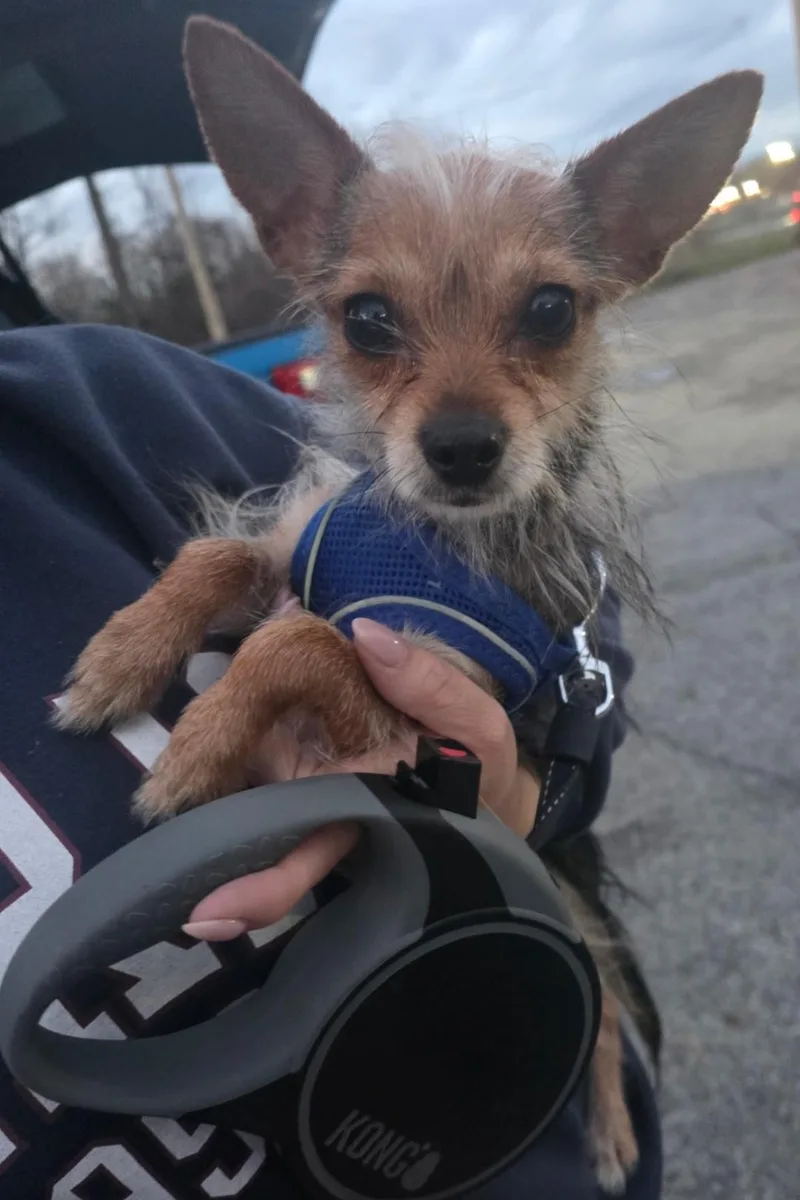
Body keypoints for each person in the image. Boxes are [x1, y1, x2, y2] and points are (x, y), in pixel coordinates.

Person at [0, 322, 662, 1198]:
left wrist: (527, 795)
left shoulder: (94, 400)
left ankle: (605, 1072)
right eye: (376, 327)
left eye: (541, 317)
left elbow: (576, 609)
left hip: (491, 1109)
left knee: (567, 917)